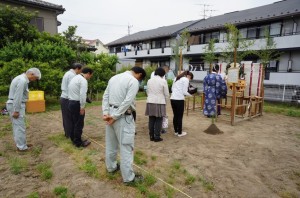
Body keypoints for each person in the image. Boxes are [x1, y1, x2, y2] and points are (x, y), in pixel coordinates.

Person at [102, 66, 146, 184]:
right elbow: (128, 101)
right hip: (123, 117)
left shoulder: (114, 77)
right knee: (126, 147)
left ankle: (111, 167)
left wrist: (106, 113)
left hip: (110, 114)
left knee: (111, 144)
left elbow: (105, 96)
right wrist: (115, 116)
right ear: (139, 74)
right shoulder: (133, 81)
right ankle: (128, 178)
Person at [6, 68, 41, 152]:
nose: (34, 80)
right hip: (16, 105)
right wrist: (16, 110)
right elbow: (18, 96)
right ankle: (22, 147)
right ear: (31, 74)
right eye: (35, 78)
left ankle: (21, 144)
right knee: (20, 127)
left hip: (14, 104)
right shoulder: (22, 80)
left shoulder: (21, 78)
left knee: (17, 126)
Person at [68, 67, 93, 148]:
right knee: (79, 123)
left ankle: (73, 139)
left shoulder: (75, 78)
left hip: (71, 102)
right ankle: (78, 143)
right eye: (91, 75)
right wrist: (82, 107)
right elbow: (82, 95)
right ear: (88, 73)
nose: (90, 77)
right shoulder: (83, 80)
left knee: (73, 122)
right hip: (77, 104)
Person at [145, 67, 169, 142]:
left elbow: (147, 91)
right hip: (159, 101)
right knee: (159, 119)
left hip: (150, 101)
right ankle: (157, 136)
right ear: (163, 74)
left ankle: (151, 136)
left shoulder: (149, 80)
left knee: (151, 119)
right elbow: (166, 93)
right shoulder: (163, 81)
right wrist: (166, 102)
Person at [60, 63, 83, 138]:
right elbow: (72, 88)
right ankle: (70, 135)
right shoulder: (72, 75)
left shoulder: (68, 73)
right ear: (77, 68)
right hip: (67, 98)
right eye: (80, 70)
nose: (80, 71)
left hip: (64, 97)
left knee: (66, 117)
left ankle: (68, 133)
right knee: (70, 118)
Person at [170, 70, 194, 137]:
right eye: (190, 78)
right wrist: (191, 95)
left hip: (172, 99)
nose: (189, 80)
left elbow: (172, 89)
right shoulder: (185, 79)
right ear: (189, 76)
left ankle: (176, 131)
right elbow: (184, 91)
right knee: (180, 116)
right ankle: (180, 132)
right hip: (179, 99)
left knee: (175, 115)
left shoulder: (176, 78)